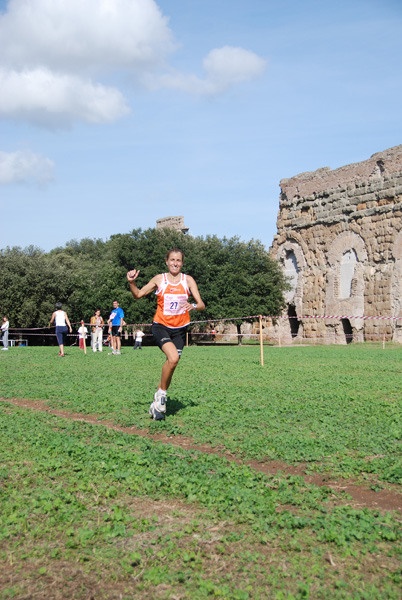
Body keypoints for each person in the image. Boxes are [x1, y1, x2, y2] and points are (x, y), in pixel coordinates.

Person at [127, 248, 205, 420]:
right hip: (161, 326)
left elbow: (201, 305)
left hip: (180, 329)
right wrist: (132, 282)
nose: (175, 263)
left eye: (178, 260)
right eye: (172, 260)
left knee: (172, 364)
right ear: (167, 261)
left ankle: (156, 403)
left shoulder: (188, 280)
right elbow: (138, 294)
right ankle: (161, 395)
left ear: (182, 263)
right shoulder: (159, 279)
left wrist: (192, 305)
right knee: (173, 358)